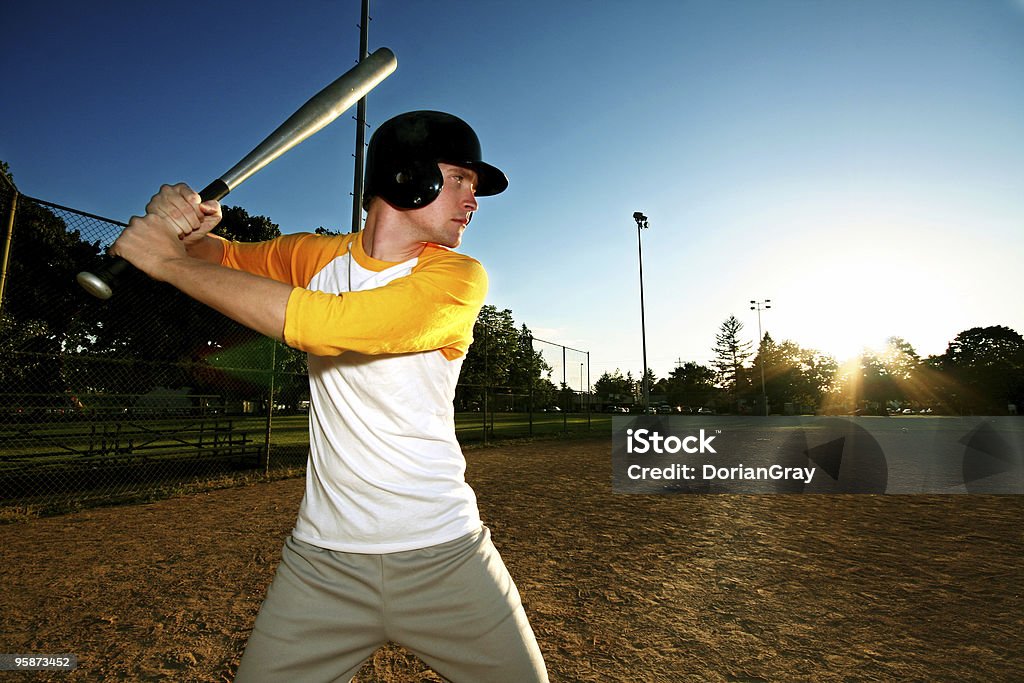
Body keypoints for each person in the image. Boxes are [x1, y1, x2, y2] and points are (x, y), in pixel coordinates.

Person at [111, 111, 549, 682]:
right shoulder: (315, 258)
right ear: (405, 177)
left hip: (445, 553)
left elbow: (326, 326)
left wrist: (164, 261)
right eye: (462, 180)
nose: (474, 200)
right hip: (321, 564)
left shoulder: (458, 278)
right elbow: (220, 260)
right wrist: (187, 229)